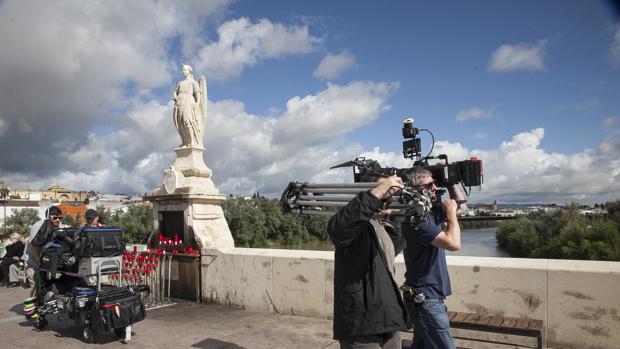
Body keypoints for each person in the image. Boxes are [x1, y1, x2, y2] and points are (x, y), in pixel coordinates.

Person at [328, 175, 408, 349]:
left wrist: (392, 215)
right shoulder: (355, 227)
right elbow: (337, 228)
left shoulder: (379, 227)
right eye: (384, 192)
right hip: (362, 326)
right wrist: (379, 191)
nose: (386, 196)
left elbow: (397, 244)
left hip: (388, 321)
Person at [400, 167, 467, 349]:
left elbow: (462, 206)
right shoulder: (416, 221)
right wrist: (451, 213)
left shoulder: (429, 213)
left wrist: (451, 182)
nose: (435, 188)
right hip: (425, 299)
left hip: (428, 297)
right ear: (414, 189)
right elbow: (454, 244)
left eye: (435, 183)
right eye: (430, 185)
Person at [172, 64, 207, 148]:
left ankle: (192, 141)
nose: (183, 72)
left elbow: (197, 93)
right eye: (183, 70)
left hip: (188, 101)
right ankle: (185, 142)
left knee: (187, 121)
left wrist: (197, 102)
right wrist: (174, 96)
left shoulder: (193, 82)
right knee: (180, 123)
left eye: (185, 70)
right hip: (179, 102)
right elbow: (175, 92)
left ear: (189, 71)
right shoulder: (180, 83)